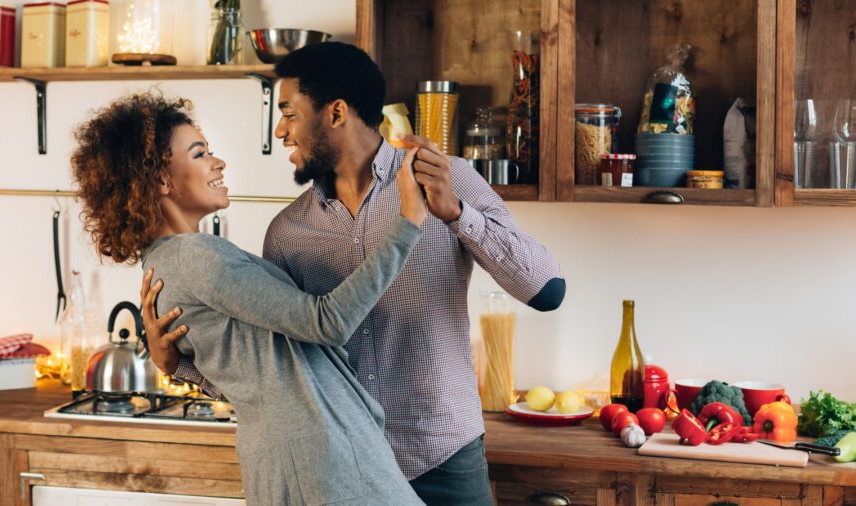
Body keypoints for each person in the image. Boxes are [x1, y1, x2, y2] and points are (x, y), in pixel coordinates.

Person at [144, 42, 566, 505]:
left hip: (444, 457)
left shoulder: (446, 179)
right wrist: (180, 366)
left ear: (337, 112)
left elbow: (546, 288)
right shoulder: (287, 233)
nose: (281, 131)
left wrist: (457, 213)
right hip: (346, 473)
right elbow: (282, 377)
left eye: (289, 112)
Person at [71, 92, 428, 505]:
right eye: (200, 153)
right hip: (324, 461)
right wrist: (408, 222)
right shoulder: (196, 256)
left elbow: (254, 378)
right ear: (161, 180)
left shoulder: (167, 263)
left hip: (299, 459)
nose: (218, 162)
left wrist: (177, 365)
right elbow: (328, 322)